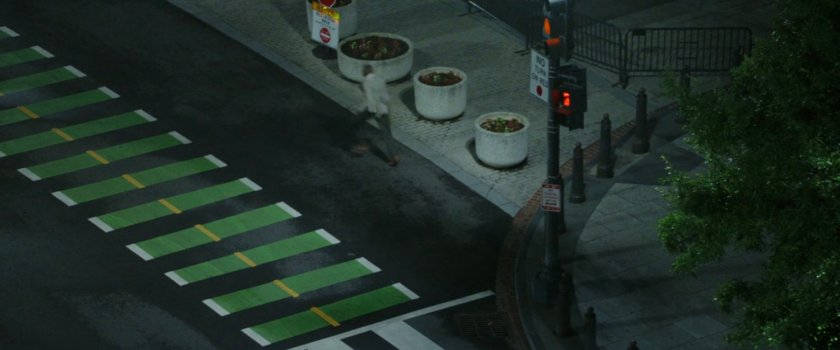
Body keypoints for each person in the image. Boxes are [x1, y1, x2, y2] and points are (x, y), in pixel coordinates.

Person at [350, 64, 400, 167]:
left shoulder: (366, 82)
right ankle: (394, 156)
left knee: (356, 122)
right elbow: (386, 96)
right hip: (384, 108)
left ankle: (362, 144)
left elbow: (370, 99)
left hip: (373, 109)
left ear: (364, 72)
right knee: (387, 133)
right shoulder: (380, 79)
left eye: (363, 71)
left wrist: (359, 110)